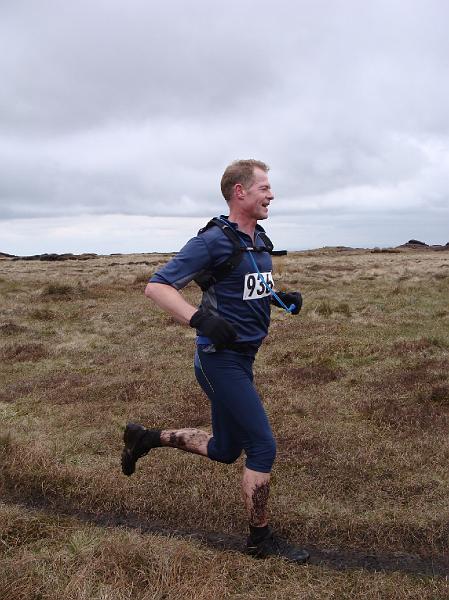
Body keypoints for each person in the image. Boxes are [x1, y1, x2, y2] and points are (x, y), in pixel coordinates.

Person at [121, 159, 309, 563]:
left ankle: (144, 438)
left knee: (226, 449)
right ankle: (261, 540)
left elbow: (245, 287)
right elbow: (157, 287)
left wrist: (280, 297)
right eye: (264, 188)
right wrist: (199, 317)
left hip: (244, 358)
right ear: (239, 192)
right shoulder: (211, 241)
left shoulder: (258, 238)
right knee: (262, 447)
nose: (271, 194)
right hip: (218, 359)